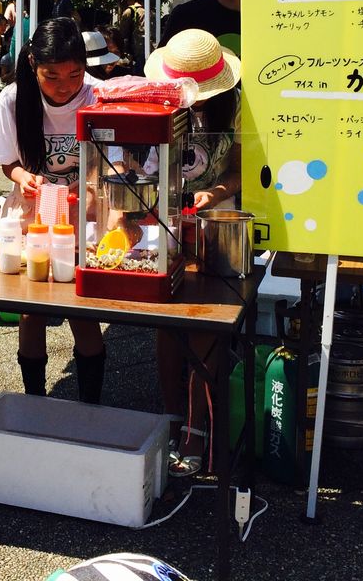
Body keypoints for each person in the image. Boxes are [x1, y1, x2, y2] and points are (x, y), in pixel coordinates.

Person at [0, 18, 106, 403]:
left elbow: (115, 159)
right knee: (31, 308)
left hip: (83, 213)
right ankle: (34, 399)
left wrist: (91, 182)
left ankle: (90, 405)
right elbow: (7, 161)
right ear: (33, 64)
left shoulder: (99, 96)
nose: (64, 87)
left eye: (74, 75)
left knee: (81, 308)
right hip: (32, 213)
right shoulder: (12, 98)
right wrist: (22, 176)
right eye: (51, 76)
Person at [141, 29, 241, 476]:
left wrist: (215, 193)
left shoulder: (236, 107)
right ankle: (171, 413)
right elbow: (146, 165)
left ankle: (197, 427)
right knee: (167, 318)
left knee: (204, 320)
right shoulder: (161, 103)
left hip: (217, 223)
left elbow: (239, 170)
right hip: (168, 220)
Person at [117, 0, 146, 71]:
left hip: (136, 55)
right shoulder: (149, 11)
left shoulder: (129, 12)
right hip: (151, 52)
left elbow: (122, 35)